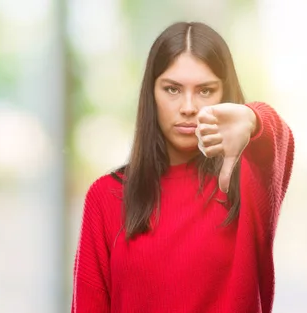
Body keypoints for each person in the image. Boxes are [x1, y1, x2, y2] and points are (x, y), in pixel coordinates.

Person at [71, 21, 295, 313]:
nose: (188, 107)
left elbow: (279, 138)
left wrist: (252, 118)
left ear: (224, 94)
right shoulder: (106, 196)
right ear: (151, 93)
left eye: (205, 90)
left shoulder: (247, 184)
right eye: (172, 89)